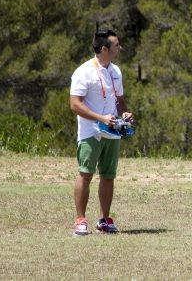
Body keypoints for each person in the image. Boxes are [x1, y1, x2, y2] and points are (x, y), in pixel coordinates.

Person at [69, 29, 132, 235]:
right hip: (90, 132)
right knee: (85, 174)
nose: (119, 48)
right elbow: (75, 105)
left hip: (112, 132)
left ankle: (104, 220)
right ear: (104, 49)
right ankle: (80, 220)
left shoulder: (116, 71)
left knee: (108, 176)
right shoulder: (83, 71)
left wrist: (125, 114)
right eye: (116, 45)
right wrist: (101, 118)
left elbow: (120, 100)